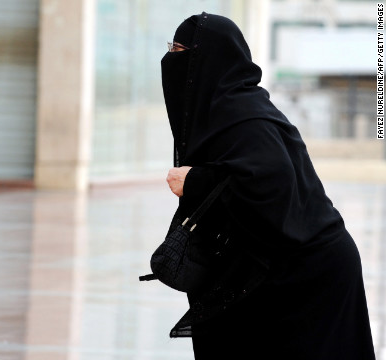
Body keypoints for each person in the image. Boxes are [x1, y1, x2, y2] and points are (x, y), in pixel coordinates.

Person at [161, 12, 376, 359]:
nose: (171, 59)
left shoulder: (244, 116)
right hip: (289, 267)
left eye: (179, 50)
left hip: (312, 273)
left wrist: (195, 181)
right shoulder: (227, 111)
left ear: (207, 60)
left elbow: (272, 188)